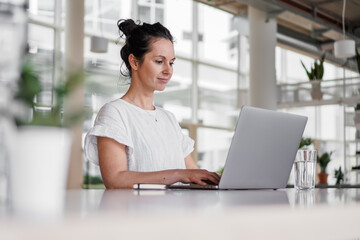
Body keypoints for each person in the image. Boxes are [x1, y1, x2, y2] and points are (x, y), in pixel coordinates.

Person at [84, 19, 220, 189]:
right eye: (159, 61)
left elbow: (193, 174)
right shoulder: (115, 112)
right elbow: (115, 179)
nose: (168, 70)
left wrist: (221, 180)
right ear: (134, 62)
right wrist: (178, 174)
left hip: (177, 213)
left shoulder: (168, 119)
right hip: (138, 214)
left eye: (171, 62)